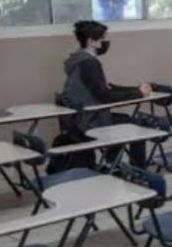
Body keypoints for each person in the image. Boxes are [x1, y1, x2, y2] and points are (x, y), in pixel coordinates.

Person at [61, 20, 151, 166]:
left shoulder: (77, 60)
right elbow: (105, 96)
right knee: (135, 125)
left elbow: (105, 88)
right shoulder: (89, 64)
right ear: (91, 41)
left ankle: (111, 163)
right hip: (89, 120)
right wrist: (139, 94)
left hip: (78, 118)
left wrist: (136, 90)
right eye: (102, 38)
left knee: (125, 119)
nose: (105, 42)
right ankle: (136, 168)